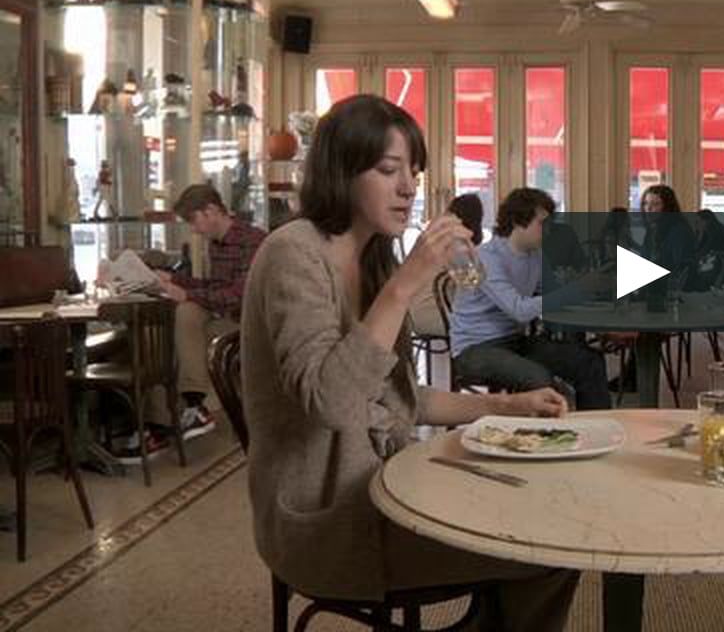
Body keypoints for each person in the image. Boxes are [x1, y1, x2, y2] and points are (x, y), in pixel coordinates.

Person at [239, 94, 579, 629]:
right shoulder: (293, 253)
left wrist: (507, 406)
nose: (408, 187)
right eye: (388, 169)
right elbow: (333, 403)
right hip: (326, 521)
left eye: (414, 172)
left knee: (539, 504)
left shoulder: (372, 254)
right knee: (551, 547)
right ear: (341, 170)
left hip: (387, 485)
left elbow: (397, 395)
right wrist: (404, 286)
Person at [449, 187, 611, 410]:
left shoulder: (536, 255)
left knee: (589, 362)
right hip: (474, 348)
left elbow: (556, 293)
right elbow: (519, 310)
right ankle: (547, 432)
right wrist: (576, 290)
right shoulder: (486, 257)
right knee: (538, 378)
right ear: (518, 221)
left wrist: (594, 286)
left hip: (513, 341)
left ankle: (597, 427)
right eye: (542, 224)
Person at [154, 183, 266, 443]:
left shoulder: (252, 241)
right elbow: (215, 288)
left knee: (186, 319)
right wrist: (174, 280)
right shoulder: (216, 243)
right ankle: (186, 408)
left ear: (212, 210)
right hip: (225, 316)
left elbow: (238, 296)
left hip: (251, 322)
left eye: (194, 221)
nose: (193, 229)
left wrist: (187, 294)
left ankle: (191, 405)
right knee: (183, 317)